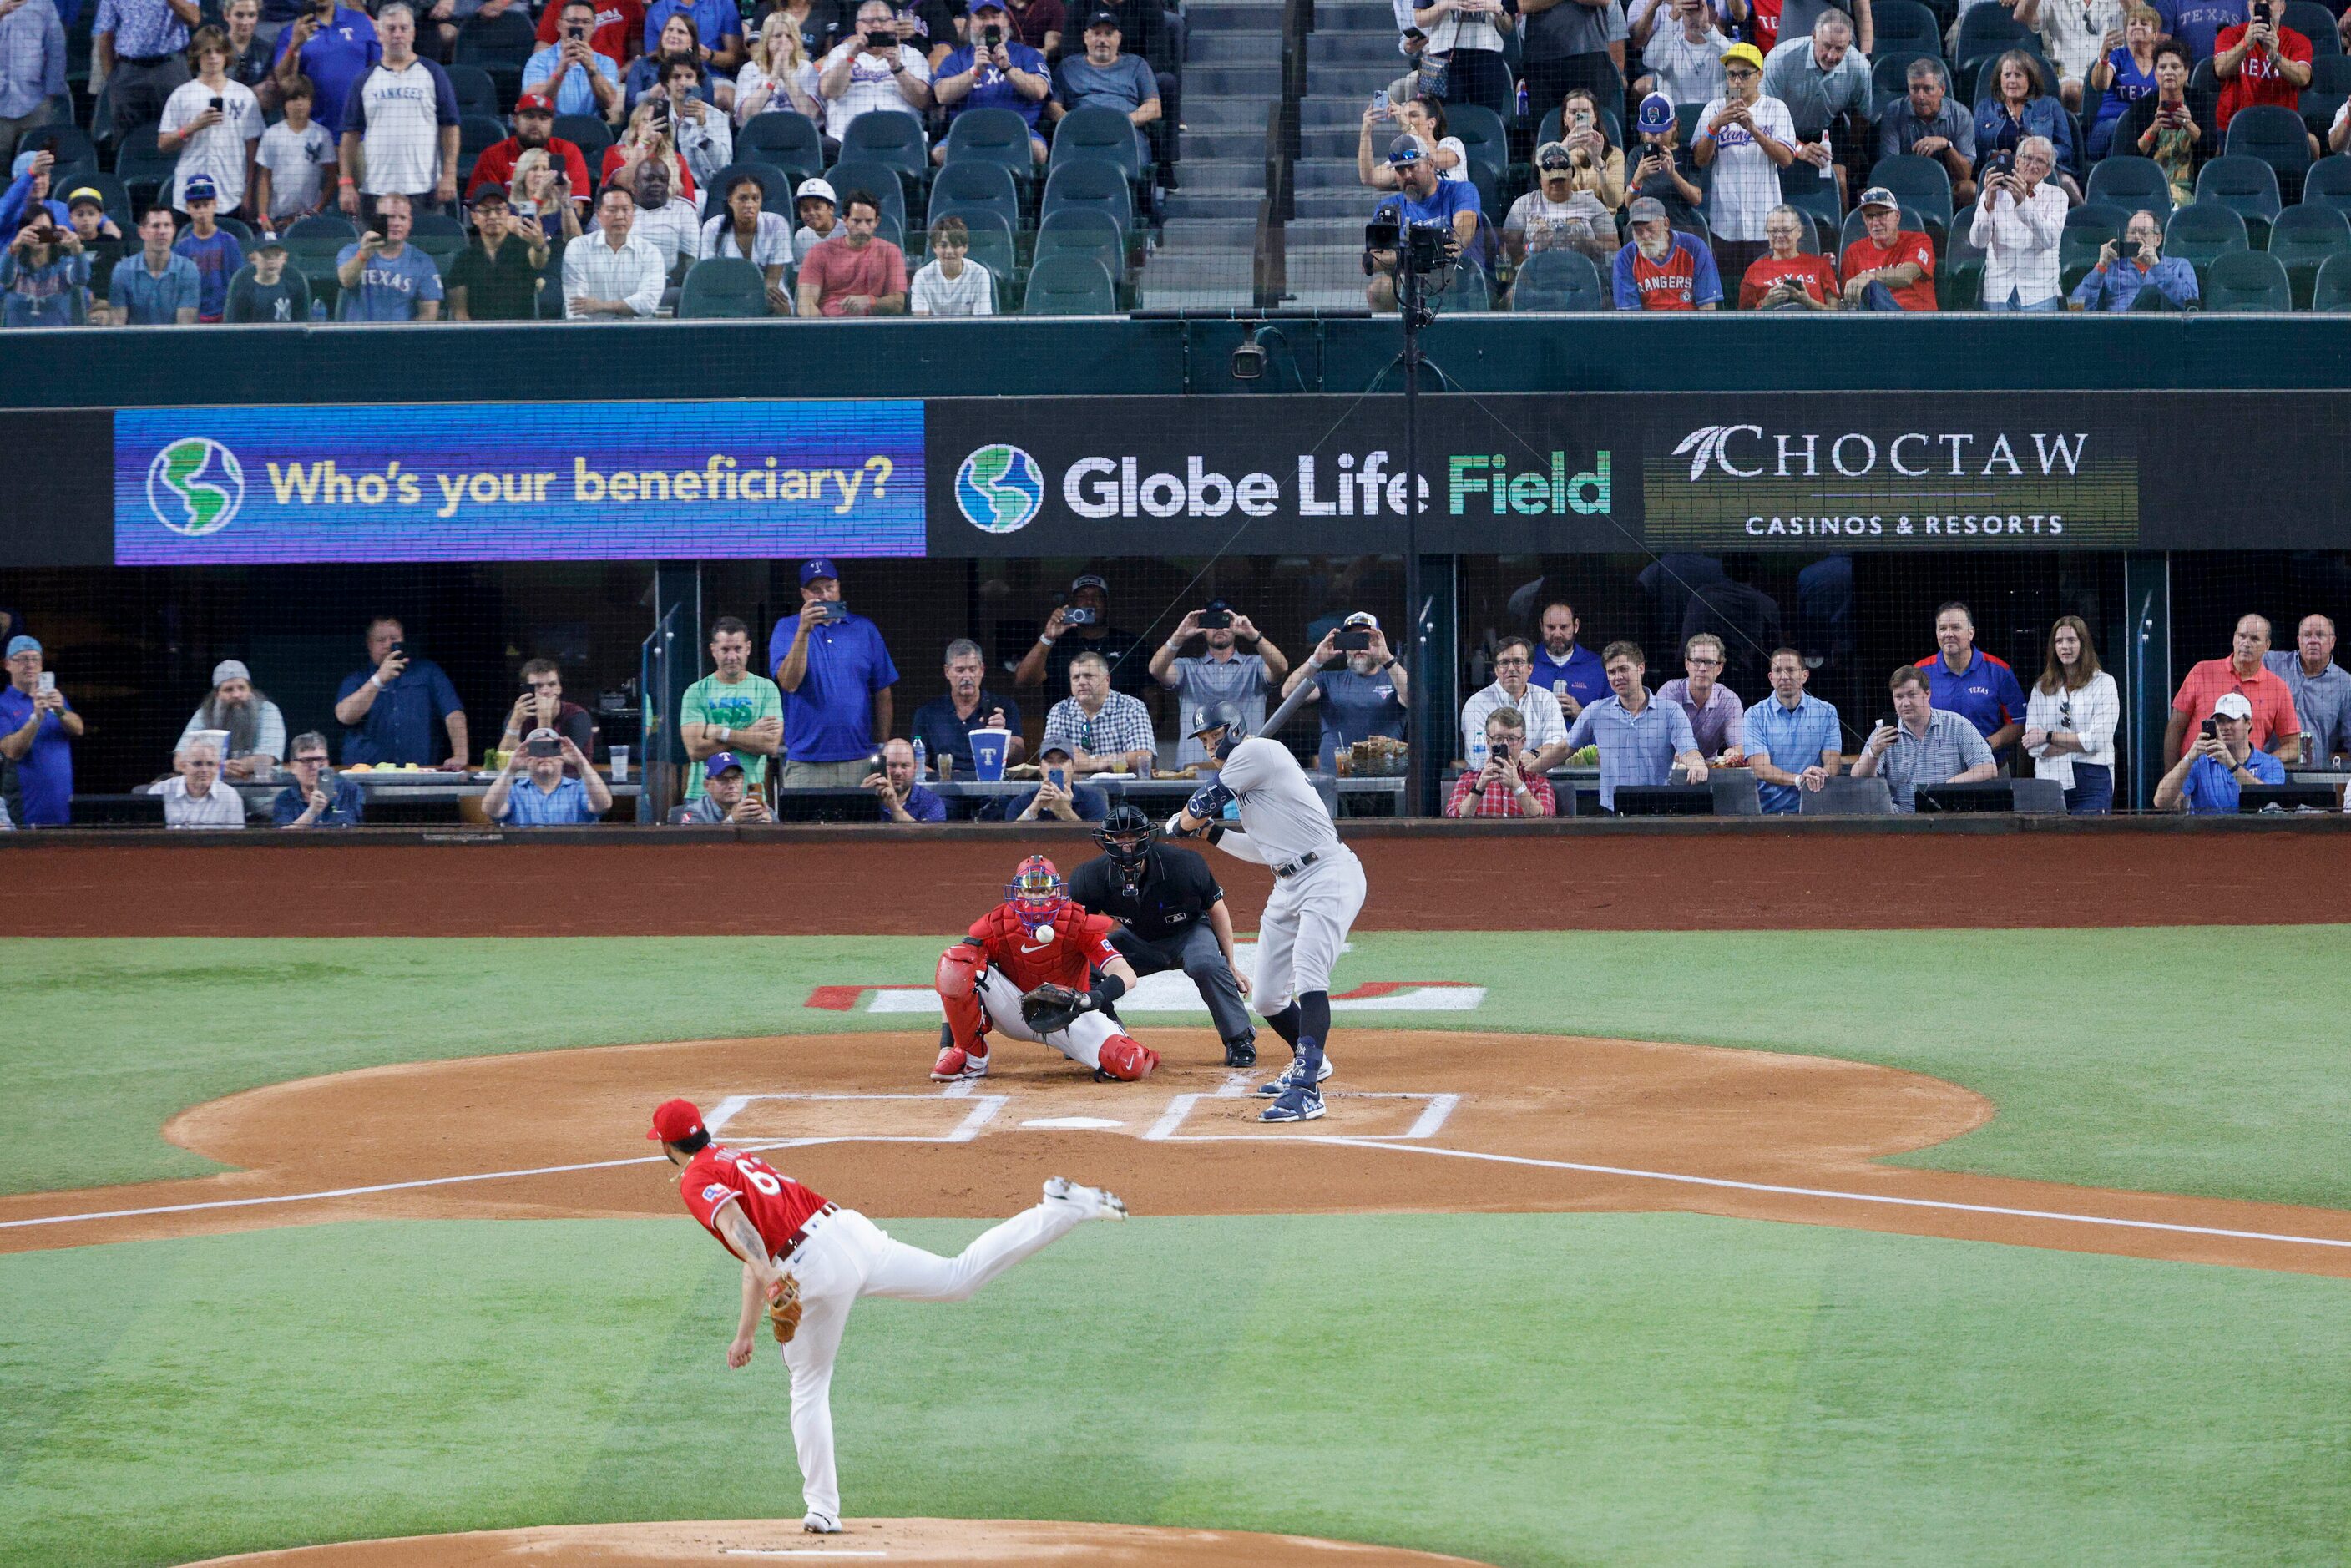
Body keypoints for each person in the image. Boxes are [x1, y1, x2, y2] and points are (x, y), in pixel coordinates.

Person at [651, 1095, 1127, 1539]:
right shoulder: (735, 1157)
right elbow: (750, 1255)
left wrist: (770, 1274)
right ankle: (1061, 1210)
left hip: (812, 1266)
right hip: (849, 1231)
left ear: (670, 1146)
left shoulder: (696, 1178)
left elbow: (738, 1227)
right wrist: (746, 1330)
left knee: (809, 1384)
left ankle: (822, 1507)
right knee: (955, 1279)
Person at [1170, 702, 1369, 1123]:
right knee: (1267, 996)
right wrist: (1205, 832)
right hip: (1288, 882)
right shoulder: (1248, 786)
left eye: (1214, 735)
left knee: (1310, 974)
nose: (1211, 746)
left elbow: (1205, 799)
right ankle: (1313, 1059)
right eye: (1204, 741)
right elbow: (1263, 850)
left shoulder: (1258, 752)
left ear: (1236, 729)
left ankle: (1306, 1089)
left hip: (1327, 874)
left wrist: (1185, 823)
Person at [932, 853, 1158, 1081]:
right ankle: (971, 1059)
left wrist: (1092, 998)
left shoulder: (1075, 923)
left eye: (1043, 891)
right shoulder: (999, 924)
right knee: (957, 961)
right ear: (1018, 892)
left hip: (1069, 1013)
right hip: (1014, 1009)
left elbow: (1125, 973)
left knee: (1131, 1062)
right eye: (1030, 891)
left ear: (1056, 892)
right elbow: (956, 976)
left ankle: (1117, 1045)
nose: (1036, 899)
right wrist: (946, 1045)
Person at [1070, 805, 1258, 1065]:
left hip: (1190, 933)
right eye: (1120, 837)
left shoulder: (1184, 865)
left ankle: (1239, 1039)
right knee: (1083, 967)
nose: (1127, 844)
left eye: (1133, 836)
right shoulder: (1088, 877)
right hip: (1137, 940)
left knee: (1206, 964)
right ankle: (1101, 1032)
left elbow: (1217, 909)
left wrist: (1231, 963)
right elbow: (1077, 930)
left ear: (1146, 836)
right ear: (1107, 839)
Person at [769, 558, 899, 787]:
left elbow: (883, 692)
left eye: (830, 588)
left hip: (859, 759)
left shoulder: (864, 629)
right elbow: (789, 683)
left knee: (861, 823)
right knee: (802, 824)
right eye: (816, 590)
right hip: (806, 761)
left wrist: (882, 744)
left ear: (839, 587)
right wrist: (803, 631)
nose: (825, 596)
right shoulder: (786, 628)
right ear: (803, 594)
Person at [336, 3, 460, 220]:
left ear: (413, 33)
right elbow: (349, 135)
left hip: (425, 189)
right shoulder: (364, 80)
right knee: (374, 253)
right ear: (379, 33)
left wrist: (449, 175)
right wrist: (346, 182)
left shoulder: (433, 73)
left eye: (404, 28)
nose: (398, 35)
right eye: (391, 29)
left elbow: (450, 127)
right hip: (376, 190)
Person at [1562, 641, 1709, 810]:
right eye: (1612, 672)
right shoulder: (1596, 710)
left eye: (1624, 669)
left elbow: (1688, 749)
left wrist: (1697, 763)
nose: (1618, 677)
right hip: (1611, 814)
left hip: (1658, 811)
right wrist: (1529, 770)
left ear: (1641, 668)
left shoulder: (1671, 711)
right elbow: (1565, 748)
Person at [1691, 43, 1793, 286]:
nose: (1737, 81)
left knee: (1765, 292)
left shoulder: (1776, 108)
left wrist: (1754, 130)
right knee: (1729, 292)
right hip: (1725, 222)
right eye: (1731, 74)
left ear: (1760, 75)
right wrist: (1714, 127)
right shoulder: (1714, 109)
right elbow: (1700, 160)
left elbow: (1786, 159)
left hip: (1765, 221)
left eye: (1744, 74)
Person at [1150, 600, 1289, 767]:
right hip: (1194, 769)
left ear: (1235, 625)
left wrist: (1252, 634)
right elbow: (1155, 670)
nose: (1219, 627)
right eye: (1212, 621)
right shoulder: (1187, 667)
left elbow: (1281, 667)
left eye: (1225, 621)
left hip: (1247, 767)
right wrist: (1179, 636)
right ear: (1203, 628)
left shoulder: (1255, 665)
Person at [1757, 7, 1867, 205]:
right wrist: (1798, 148)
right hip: (1782, 126)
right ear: (1814, 37)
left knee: (1839, 182)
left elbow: (1862, 113)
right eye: (1826, 46)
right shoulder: (1779, 59)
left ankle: (1841, 232)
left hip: (1828, 126)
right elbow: (1765, 116)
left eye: (1840, 49)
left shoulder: (1860, 67)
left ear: (1849, 44)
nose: (1832, 56)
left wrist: (1852, 148)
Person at [1851, 664, 1998, 810]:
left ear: (1927, 694)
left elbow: (1988, 768)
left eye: (1911, 695)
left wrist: (1945, 787)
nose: (1905, 703)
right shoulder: (1884, 731)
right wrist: (1873, 753)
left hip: (1948, 816)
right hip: (1900, 821)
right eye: (1899, 697)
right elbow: (1857, 776)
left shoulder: (1957, 724)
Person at [331, 615, 468, 767]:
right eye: (381, 640)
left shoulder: (428, 672)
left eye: (394, 638)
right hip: (366, 775)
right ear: (369, 644)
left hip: (417, 774)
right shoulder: (356, 680)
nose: (388, 644)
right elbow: (344, 716)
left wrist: (460, 755)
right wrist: (378, 680)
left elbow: (453, 713)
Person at [1364, 134, 1479, 311]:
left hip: (1457, 276)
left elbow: (1465, 225)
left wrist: (1455, 244)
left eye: (1412, 167)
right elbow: (1372, 260)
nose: (1407, 175)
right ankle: (1397, 338)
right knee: (1378, 291)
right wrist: (1417, 255)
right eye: (1400, 170)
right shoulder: (1389, 207)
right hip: (1409, 281)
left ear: (1431, 164)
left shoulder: (1460, 190)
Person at [1280, 612, 1408, 771]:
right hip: (1334, 781)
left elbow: (1414, 701)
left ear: (1379, 641)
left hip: (1384, 778)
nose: (1360, 648)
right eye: (1352, 641)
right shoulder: (1329, 680)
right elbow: (1288, 693)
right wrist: (1316, 660)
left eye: (1365, 639)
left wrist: (1387, 658)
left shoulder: (1394, 678)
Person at [2165, 613, 2300, 762]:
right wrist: (2171, 777)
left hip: (2243, 780)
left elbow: (2294, 746)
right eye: (2242, 636)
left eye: (2254, 639)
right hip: (2195, 777)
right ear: (2234, 638)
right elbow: (2175, 728)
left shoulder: (2277, 688)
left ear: (2267, 646)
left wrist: (2262, 764)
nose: (2246, 643)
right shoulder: (2201, 671)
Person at [159, 28, 265, 220]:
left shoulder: (244, 95)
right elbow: (164, 144)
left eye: (218, 51)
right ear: (196, 56)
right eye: (207, 52)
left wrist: (249, 193)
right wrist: (192, 127)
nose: (213, 57)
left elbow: (252, 150)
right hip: (190, 194)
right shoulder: (181, 95)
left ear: (226, 54)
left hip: (232, 191)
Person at [2021, 615, 2120, 814]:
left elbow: (2098, 741)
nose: (2065, 646)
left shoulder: (2104, 683)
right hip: (2050, 780)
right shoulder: (2040, 688)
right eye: (2059, 641)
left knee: (2089, 842)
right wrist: (2078, 744)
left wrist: (2049, 737)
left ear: (2084, 644)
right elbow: (2032, 747)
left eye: (2072, 640)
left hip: (2093, 779)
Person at [933, 0, 1049, 164]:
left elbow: (1040, 91)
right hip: (967, 134)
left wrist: (1007, 68)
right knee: (940, 153)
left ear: (1006, 20)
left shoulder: (1027, 54)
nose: (989, 23)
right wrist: (975, 72)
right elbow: (941, 95)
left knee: (1037, 150)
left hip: (1018, 133)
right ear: (970, 23)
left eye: (995, 16)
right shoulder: (956, 59)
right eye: (981, 17)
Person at [682, 615, 784, 798]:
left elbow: (770, 745)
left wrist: (721, 732)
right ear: (713, 651)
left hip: (750, 792)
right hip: (702, 795)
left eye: (737, 649)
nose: (732, 656)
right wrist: (749, 733)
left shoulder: (766, 689)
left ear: (748, 649)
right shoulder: (696, 692)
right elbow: (696, 751)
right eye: (725, 649)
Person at [1913, 601, 2026, 758]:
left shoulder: (1999, 671)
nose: (1948, 634)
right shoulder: (1919, 672)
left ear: (1971, 633)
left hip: (1991, 770)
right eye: (1943, 628)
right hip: (1936, 770)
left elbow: (2019, 723)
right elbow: (1908, 719)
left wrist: (1984, 746)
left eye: (1956, 627)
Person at [1969, 134, 2064, 312]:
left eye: (2040, 161)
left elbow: (2050, 240)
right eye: (2027, 158)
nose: (2033, 165)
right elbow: (1977, 242)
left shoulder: (2058, 196)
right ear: (2017, 162)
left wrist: (2023, 203)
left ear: (2048, 170)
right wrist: (1988, 204)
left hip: (2039, 292)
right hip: (1998, 292)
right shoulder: (1992, 194)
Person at [817, 0, 933, 146]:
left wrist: (898, 69)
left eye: (883, 20)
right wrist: (852, 55)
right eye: (868, 21)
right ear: (857, 26)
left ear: (893, 24)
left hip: (902, 141)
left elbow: (923, 101)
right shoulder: (841, 53)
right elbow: (828, 91)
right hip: (844, 140)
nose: (877, 26)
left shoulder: (911, 55)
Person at [1014, 573, 1147, 698]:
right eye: (1082, 597)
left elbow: (1154, 698)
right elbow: (1024, 682)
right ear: (1072, 604)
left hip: (1118, 722)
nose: (1090, 602)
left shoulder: (1130, 643)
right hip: (1064, 722)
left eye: (1098, 596)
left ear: (1107, 603)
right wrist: (1048, 638)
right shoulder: (1058, 645)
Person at [2114, 41, 2212, 209]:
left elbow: (2213, 149)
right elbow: (2129, 158)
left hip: (2191, 189)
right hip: (2150, 189)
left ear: (2186, 73)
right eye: (2163, 67)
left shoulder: (2201, 102)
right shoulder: (2141, 107)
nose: (2168, 72)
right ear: (2155, 73)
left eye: (2175, 67)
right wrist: (2154, 128)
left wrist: (2189, 124)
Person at [1742, 647, 1840, 812]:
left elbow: (1833, 762)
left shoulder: (1827, 711)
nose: (1785, 677)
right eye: (1778, 671)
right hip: (1767, 812)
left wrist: (1820, 775)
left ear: (1804, 676)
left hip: (1814, 810)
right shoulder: (1754, 714)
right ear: (1771, 678)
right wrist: (1798, 779)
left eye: (1791, 670)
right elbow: (1760, 767)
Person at [1050, 8, 1159, 156]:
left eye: (1109, 34)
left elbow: (1154, 107)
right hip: (1081, 137)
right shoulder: (1067, 67)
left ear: (1119, 38)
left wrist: (1119, 122)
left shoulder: (1137, 65)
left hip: (1125, 134)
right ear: (1085, 37)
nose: (1102, 40)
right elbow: (1053, 107)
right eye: (1096, 34)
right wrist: (1075, 124)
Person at [2154, 691, 2285, 813]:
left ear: (2248, 723)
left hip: (2255, 836)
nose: (2225, 727)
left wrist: (2231, 765)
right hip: (2207, 836)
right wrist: (2189, 757)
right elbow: (2161, 802)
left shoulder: (2271, 764)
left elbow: (2270, 800)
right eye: (2220, 721)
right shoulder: (2201, 762)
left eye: (2232, 720)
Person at [1974, 53, 2079, 205]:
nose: (2012, 81)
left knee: (2066, 182)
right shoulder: (1985, 108)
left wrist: (2041, 153)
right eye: (2007, 75)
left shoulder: (2050, 105)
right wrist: (1995, 155)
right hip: (2001, 173)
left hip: (2042, 173)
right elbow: (1976, 150)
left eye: (2018, 75)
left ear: (2030, 79)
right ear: (2000, 79)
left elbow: (2066, 150)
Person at [270, 0, 379, 145]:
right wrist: (295, 45)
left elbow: (379, 71)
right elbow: (283, 80)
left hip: (360, 135)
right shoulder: (292, 32)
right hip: (313, 138)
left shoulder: (361, 21)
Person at [909, 637, 1024, 773]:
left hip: (992, 788)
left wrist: (1001, 737)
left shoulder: (1005, 706)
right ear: (947, 672)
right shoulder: (927, 713)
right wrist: (946, 778)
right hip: (944, 790)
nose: (967, 676)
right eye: (960, 670)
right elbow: (917, 764)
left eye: (972, 669)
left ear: (982, 670)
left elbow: (1018, 759)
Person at [1, 635, 80, 825]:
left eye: (35, 659)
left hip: (63, 803)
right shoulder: (3, 704)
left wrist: (60, 710)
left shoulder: (53, 698)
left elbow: (78, 729)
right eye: (22, 659)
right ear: (7, 665)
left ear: (42, 665)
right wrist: (37, 717)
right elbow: (11, 751)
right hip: (26, 805)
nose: (30, 665)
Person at [94, 0, 195, 145]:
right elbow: (106, 34)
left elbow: (193, 18)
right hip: (129, 72)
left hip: (169, 69)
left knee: (180, 132)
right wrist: (113, 79)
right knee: (125, 139)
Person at [467, 92, 594, 206]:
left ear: (552, 123)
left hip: (556, 230)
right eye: (529, 116)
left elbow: (577, 207)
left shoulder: (567, 152)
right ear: (515, 120)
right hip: (509, 230)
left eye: (543, 118)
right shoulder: (494, 154)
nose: (536, 123)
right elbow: (488, 209)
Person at [1040, 650, 1155, 775]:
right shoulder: (1060, 711)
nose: (1082, 682)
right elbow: (1053, 762)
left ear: (1107, 679)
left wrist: (1083, 761)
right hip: (1073, 791)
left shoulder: (1133, 707)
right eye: (1076, 677)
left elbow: (1143, 758)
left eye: (1089, 676)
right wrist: (1103, 762)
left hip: (1123, 791)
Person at [1878, 57, 1974, 206]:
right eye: (1915, 89)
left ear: (1942, 90)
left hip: (1947, 188)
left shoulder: (1961, 115)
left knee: (1969, 190)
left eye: (1928, 89)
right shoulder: (1893, 112)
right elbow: (1890, 168)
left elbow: (1965, 174)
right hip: (1905, 185)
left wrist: (1946, 146)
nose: (1921, 96)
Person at [1462, 635, 1570, 768]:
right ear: (1496, 669)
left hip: (1539, 784)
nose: (1511, 668)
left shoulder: (1546, 699)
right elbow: (1480, 757)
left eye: (1518, 661)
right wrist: (1532, 758)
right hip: (1489, 784)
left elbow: (1559, 747)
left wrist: (1533, 754)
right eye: (1504, 662)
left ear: (1530, 668)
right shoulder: (1476, 704)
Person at [795, 186, 905, 315]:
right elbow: (806, 304)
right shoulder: (818, 253)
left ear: (877, 222)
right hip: (830, 326)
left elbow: (898, 303)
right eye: (856, 221)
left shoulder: (891, 252)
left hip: (874, 329)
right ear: (845, 220)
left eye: (869, 221)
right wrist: (823, 331)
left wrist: (869, 301)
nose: (863, 227)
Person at [444, 184, 548, 319]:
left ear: (508, 213)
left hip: (521, 333)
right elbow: (459, 312)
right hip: (478, 334)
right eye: (485, 211)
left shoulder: (524, 249)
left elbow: (539, 262)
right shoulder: (464, 259)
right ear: (474, 217)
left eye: (499, 210)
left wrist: (539, 244)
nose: (492, 216)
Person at [334, 190, 442, 317]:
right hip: (356, 334)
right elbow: (346, 281)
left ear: (410, 223)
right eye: (390, 217)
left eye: (402, 218)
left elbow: (429, 314)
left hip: (401, 335)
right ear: (377, 220)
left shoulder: (423, 262)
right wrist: (364, 255)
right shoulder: (351, 251)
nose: (396, 223)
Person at [2212, 0, 2312, 138]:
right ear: (2249, 6)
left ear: (2282, 8)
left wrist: (2275, 57)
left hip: (2282, 127)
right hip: (2235, 128)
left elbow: (2304, 78)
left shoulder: (2298, 41)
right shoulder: (2229, 35)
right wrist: (2245, 44)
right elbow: (2220, 69)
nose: (2264, 6)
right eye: (2258, 2)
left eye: (2270, 2)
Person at [173, 659, 286, 778]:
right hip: (216, 791)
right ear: (217, 695)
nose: (236, 695)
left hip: (263, 791)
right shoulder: (204, 714)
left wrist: (216, 767)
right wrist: (219, 767)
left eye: (242, 688)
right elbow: (180, 762)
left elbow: (266, 760)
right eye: (228, 690)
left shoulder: (268, 710)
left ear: (250, 690)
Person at [564, 183, 664, 316]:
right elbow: (576, 308)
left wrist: (600, 306)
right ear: (598, 214)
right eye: (612, 210)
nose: (619, 216)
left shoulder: (650, 252)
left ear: (633, 212)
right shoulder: (578, 247)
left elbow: (647, 303)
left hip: (637, 333)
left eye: (625, 209)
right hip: (590, 333)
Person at [2068, 208, 2197, 311]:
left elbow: (2191, 305)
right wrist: (2100, 268)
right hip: (2120, 333)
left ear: (2158, 240)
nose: (2136, 237)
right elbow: (2076, 307)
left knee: (2151, 293)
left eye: (2143, 232)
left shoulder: (2180, 265)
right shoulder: (2111, 268)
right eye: (2132, 232)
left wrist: (2157, 267)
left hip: (2166, 332)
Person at [2263, 615, 2351, 766]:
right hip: (2266, 771)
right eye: (2307, 635)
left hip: (2315, 777)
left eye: (2320, 635)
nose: (2313, 640)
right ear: (2299, 641)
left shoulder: (2345, 684)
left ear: (2333, 642)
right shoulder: (2271, 664)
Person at [253, 73, 336, 233]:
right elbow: (264, 177)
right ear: (284, 104)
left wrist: (315, 211)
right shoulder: (272, 134)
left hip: (309, 219)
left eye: (303, 98)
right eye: (293, 99)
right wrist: (263, 214)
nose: (299, 104)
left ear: (311, 102)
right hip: (277, 216)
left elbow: (332, 178)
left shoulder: (322, 135)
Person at [703, 170, 793, 312]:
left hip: (768, 289)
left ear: (761, 201)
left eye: (755, 198)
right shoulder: (712, 227)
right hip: (727, 291)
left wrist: (753, 299)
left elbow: (772, 279)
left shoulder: (777, 224)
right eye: (743, 198)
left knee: (782, 308)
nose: (749, 204)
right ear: (731, 201)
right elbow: (711, 274)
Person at [1612, 193, 1722, 309]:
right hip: (1647, 326)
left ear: (1665, 224)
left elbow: (1708, 308)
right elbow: (1631, 316)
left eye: (1650, 229)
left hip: (1690, 324)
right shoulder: (1625, 257)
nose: (1645, 236)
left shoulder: (1695, 248)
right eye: (1638, 231)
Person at [1837, 185, 1935, 311]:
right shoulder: (1854, 251)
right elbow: (1849, 300)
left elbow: (1906, 275)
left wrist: (1869, 276)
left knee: (1871, 287)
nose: (1876, 223)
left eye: (1882, 214)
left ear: (1897, 216)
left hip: (1917, 322)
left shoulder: (1919, 240)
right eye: (1870, 216)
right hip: (1873, 325)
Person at [485, 728, 611, 824]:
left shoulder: (579, 789)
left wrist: (581, 763)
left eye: (551, 749)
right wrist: (511, 769)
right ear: (527, 757)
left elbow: (603, 805)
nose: (545, 756)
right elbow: (491, 810)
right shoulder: (513, 792)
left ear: (561, 756)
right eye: (538, 749)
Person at [1446, 708, 1557, 817]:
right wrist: (1479, 788)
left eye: (1512, 738)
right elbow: (1453, 820)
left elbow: (1546, 821)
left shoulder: (1539, 783)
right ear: (1488, 742)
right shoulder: (1467, 780)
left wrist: (1518, 786)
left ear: (1523, 742)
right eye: (1498, 738)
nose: (1505, 745)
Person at [523, 0, 624, 120]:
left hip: (590, 131)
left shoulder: (606, 63)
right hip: (551, 130)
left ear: (594, 27)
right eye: (573, 21)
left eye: (586, 22)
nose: (579, 26)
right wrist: (560, 71)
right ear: (559, 25)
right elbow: (534, 103)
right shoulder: (539, 60)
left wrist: (591, 68)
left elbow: (609, 102)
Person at [2085, 4, 2161, 159]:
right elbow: (2100, 84)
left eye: (2144, 23)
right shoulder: (2117, 56)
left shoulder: (2162, 62)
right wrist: (2104, 55)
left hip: (2145, 131)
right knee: (2121, 128)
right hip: (2107, 129)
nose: (2137, 26)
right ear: (2126, 32)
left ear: (2155, 34)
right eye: (2132, 23)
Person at [0, 0, 65, 175]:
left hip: (34, 102)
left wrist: (51, 92)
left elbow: (56, 45)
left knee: (32, 169)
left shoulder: (43, 3)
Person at [1656, 633, 1745, 761]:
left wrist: (1735, 753)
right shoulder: (1669, 693)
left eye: (1710, 662)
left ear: (1719, 668)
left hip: (1710, 771)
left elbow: (1738, 745)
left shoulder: (1729, 701)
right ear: (1687, 664)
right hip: (1669, 768)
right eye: (1697, 661)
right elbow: (1656, 740)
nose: (1702, 668)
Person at [106, 205, 200, 323]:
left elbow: (185, 328)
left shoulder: (188, 270)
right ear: (142, 232)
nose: (162, 231)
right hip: (134, 341)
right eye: (156, 226)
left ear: (174, 231)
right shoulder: (122, 270)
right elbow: (117, 325)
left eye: (167, 225)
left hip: (174, 341)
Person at [169, 173, 244, 321]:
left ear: (215, 203)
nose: (202, 211)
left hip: (225, 315)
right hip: (193, 317)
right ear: (188, 208)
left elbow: (238, 283)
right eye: (196, 206)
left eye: (206, 204)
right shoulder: (182, 247)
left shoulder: (229, 242)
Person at [1740, 200, 1840, 309]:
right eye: (1773, 231)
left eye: (1786, 230)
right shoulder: (1754, 270)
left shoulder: (1821, 265)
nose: (1779, 235)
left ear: (1799, 232)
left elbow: (1836, 312)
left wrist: (1808, 302)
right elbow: (1742, 319)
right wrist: (1765, 303)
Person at [1359, 92, 1467, 190]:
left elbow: (1436, 160)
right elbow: (1369, 178)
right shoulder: (1404, 155)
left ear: (1431, 123)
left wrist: (1407, 127)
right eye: (1404, 116)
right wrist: (1366, 132)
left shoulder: (1452, 143)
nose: (1405, 119)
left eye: (1413, 115)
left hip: (1454, 208)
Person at [3, 205, 86, 326]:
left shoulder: (65, 264)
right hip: (17, 341)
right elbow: (4, 278)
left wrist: (77, 250)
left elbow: (81, 279)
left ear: (54, 232)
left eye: (45, 229)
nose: (39, 235)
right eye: (33, 230)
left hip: (57, 340)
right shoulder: (12, 262)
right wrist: (15, 246)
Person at [659, 53, 735, 184]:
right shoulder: (653, 113)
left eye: (689, 76)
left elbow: (722, 167)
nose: (683, 83)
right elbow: (625, 150)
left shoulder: (717, 118)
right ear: (666, 83)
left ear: (697, 82)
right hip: (660, 189)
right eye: (676, 77)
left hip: (701, 190)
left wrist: (703, 125)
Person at [736, 12, 822, 124]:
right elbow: (745, 117)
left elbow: (811, 115)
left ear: (796, 41)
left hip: (797, 133)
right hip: (760, 133)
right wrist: (773, 78)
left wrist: (786, 77)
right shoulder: (749, 70)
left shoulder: (806, 69)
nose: (783, 41)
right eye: (777, 35)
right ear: (766, 41)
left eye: (789, 36)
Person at [997, 737, 1110, 822]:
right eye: (1050, 761)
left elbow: (1095, 843)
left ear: (1073, 766)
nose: (1056, 767)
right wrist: (1033, 810)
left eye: (1062, 761)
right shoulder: (1020, 803)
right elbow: (1011, 840)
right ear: (1040, 767)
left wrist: (1065, 811)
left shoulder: (1093, 801)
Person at [1640, 0, 1730, 104]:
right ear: (1681, 14)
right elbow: (1650, 61)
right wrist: (1671, 19)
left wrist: (1707, 28)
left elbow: (1738, 64)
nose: (1694, 18)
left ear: (1715, 16)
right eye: (1689, 12)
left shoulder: (1723, 47)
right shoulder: (1668, 46)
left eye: (1700, 12)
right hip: (1676, 118)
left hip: (1715, 118)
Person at [623, 154, 702, 272]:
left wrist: (662, 283)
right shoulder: (618, 208)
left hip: (669, 285)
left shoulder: (684, 211)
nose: (657, 184)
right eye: (649, 179)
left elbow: (689, 260)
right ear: (635, 184)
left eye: (663, 180)